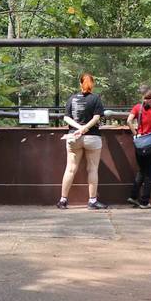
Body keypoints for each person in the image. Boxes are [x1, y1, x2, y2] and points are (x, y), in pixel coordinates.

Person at [58, 72, 107, 210]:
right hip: (92, 138)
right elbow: (97, 118)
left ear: (80, 84)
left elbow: (66, 118)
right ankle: (92, 201)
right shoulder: (96, 99)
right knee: (92, 169)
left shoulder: (72, 99)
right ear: (93, 84)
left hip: (74, 137)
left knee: (70, 169)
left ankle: (63, 200)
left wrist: (78, 129)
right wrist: (85, 128)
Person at [125, 86, 151, 209]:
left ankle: (133, 196)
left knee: (142, 170)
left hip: (139, 142)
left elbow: (128, 121)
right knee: (149, 173)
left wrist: (135, 133)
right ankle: (144, 201)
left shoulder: (138, 107)